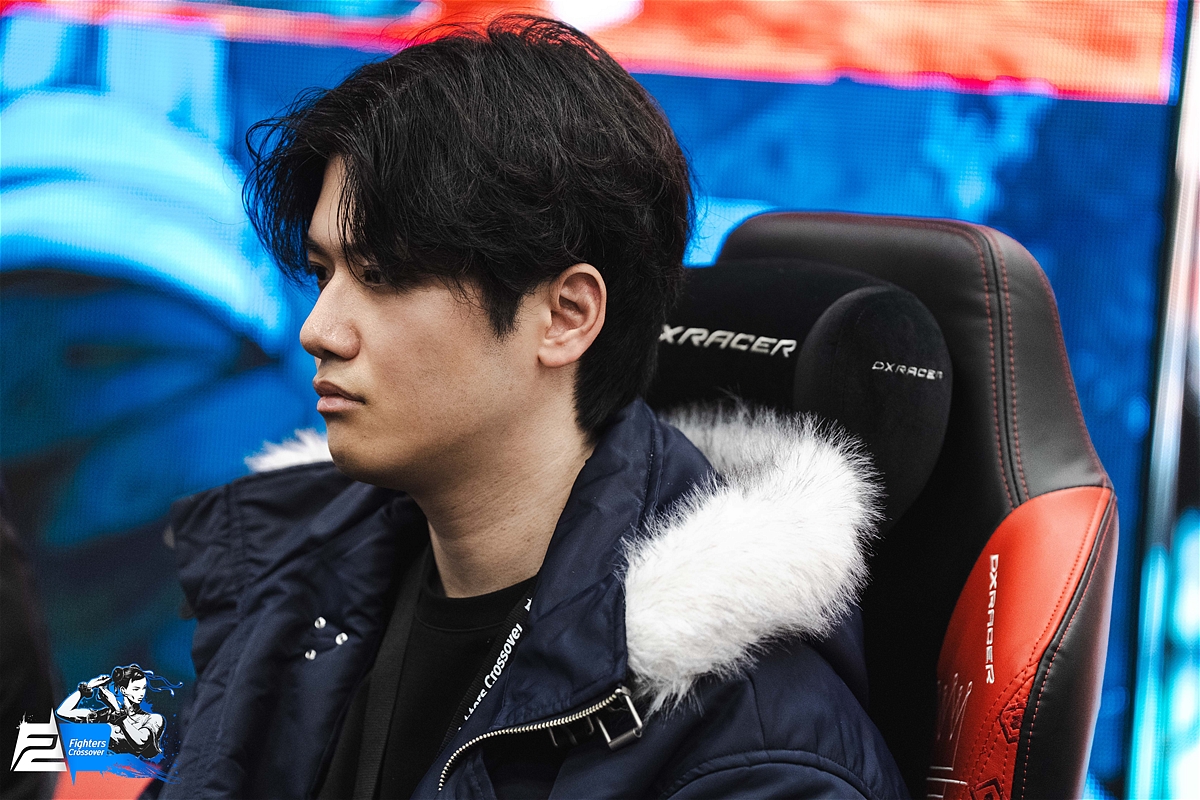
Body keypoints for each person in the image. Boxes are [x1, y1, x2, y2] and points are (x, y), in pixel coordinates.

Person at [163, 14, 908, 799]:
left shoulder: (756, 755)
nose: (319, 329)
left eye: (381, 276)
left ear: (565, 316)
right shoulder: (292, 581)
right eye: (324, 273)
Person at [56, 665, 170, 759]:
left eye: (143, 688)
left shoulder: (153, 719)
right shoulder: (105, 715)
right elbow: (63, 712)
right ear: (123, 690)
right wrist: (88, 687)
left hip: (136, 775)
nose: (141, 693)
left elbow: (140, 743)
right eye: (136, 689)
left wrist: (116, 709)